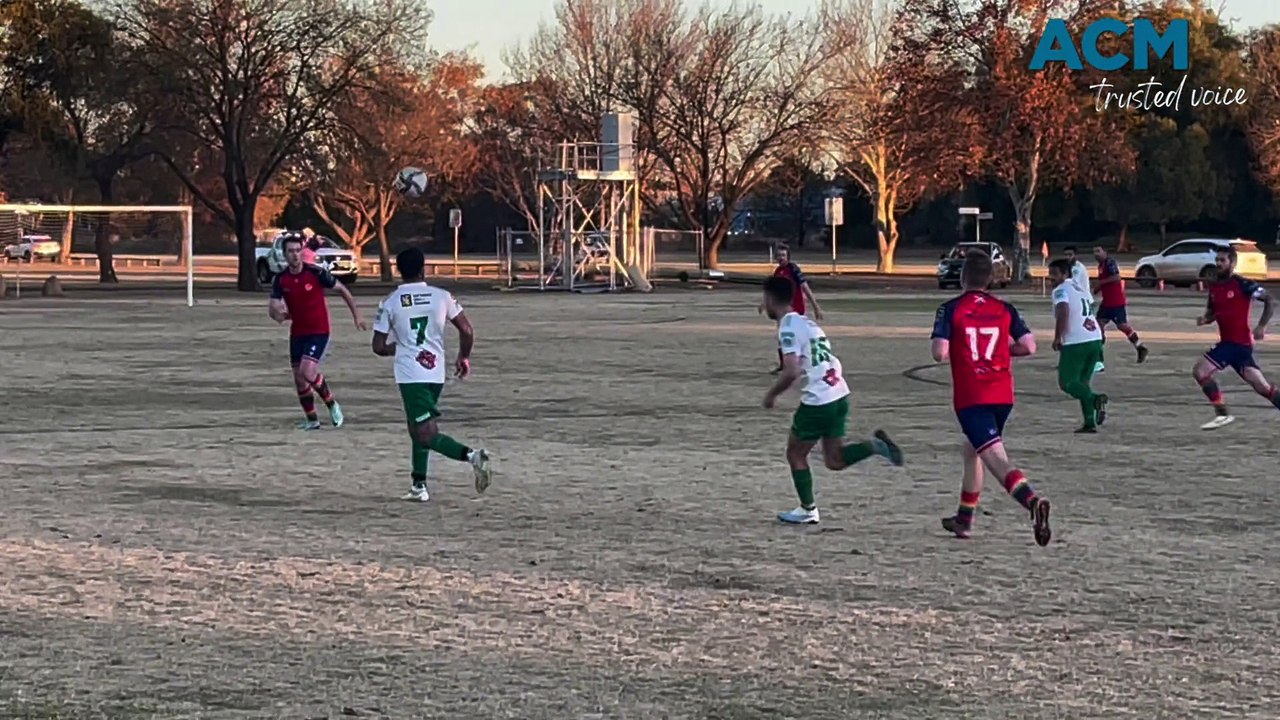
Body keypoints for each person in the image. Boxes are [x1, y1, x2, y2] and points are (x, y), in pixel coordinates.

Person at [930, 249, 1052, 546]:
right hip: (1002, 393)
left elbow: (939, 353)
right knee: (973, 450)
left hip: (973, 395)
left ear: (962, 277)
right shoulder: (1005, 308)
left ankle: (1032, 501)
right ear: (990, 280)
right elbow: (1029, 346)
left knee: (995, 459)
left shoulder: (950, 309)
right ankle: (964, 519)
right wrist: (1003, 351)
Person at [760, 275, 903, 525]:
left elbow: (791, 370)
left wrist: (771, 395)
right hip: (838, 394)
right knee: (834, 460)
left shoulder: (787, 327)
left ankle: (808, 509)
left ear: (771, 299)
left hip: (819, 401)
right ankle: (875, 447)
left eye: (764, 299)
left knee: (795, 454)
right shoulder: (808, 323)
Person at [372, 247, 493, 501]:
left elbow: (378, 347)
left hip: (410, 374)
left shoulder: (391, 302)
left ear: (398, 271)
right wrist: (464, 356)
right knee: (417, 427)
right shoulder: (442, 296)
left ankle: (472, 456)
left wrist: (400, 347)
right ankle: (418, 485)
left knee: (425, 432)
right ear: (423, 269)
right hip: (434, 372)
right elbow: (467, 330)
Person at [268, 232, 366, 430]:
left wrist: (357, 315)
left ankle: (332, 404)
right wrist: (278, 313)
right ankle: (312, 419)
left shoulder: (315, 273)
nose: (295, 255)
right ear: (285, 255)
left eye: (297, 251)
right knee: (299, 379)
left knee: (307, 371)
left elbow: (342, 290)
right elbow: (274, 308)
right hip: (298, 333)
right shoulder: (281, 279)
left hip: (319, 330)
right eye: (290, 252)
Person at [1192, 245, 1280, 430]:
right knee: (1263, 388)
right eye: (1217, 260)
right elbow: (1213, 312)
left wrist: (1261, 326)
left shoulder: (1243, 284)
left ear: (1232, 263)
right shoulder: (1214, 286)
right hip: (1234, 345)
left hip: (1236, 344)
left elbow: (1269, 300)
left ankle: (1222, 413)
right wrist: (1205, 319)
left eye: (1222, 260)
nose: (1218, 264)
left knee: (1200, 371)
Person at [1048, 259, 1108, 433]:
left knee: (1067, 382)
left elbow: (1063, 311)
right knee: (1083, 382)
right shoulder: (1081, 289)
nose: (1051, 278)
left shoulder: (1060, 291)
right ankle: (1089, 422)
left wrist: (1058, 336)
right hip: (1094, 337)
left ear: (1065, 274)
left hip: (1076, 340)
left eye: (1054, 274)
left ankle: (1095, 399)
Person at [759, 244, 823, 374]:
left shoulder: (793, 269)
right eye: (779, 256)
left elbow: (805, 287)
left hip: (795, 309)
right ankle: (784, 365)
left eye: (783, 255)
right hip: (781, 310)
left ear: (788, 257)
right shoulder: (777, 272)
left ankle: (800, 364)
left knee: (794, 336)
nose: (781, 258)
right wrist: (764, 304)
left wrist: (816, 307)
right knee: (781, 336)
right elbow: (772, 291)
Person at [1092, 245, 1149, 365]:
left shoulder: (1110, 263)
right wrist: (1098, 288)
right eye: (1094, 252)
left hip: (1115, 302)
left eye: (1098, 251)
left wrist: (1101, 283)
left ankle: (1140, 347)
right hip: (1107, 302)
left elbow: (1117, 277)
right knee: (1098, 326)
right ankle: (1098, 355)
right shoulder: (1101, 266)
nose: (1096, 254)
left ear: (1105, 252)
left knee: (1122, 326)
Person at [1064, 245, 1106, 374]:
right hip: (1078, 303)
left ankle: (1098, 361)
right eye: (1065, 255)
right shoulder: (1068, 268)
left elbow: (1072, 283)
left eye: (1070, 255)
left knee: (1090, 332)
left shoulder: (1077, 268)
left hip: (1085, 303)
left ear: (1075, 255)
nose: (1067, 257)